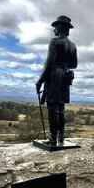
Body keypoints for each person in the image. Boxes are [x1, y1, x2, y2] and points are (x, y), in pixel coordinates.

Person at [36, 15, 77, 146]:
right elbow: (74, 64)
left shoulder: (55, 42)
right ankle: (61, 137)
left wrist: (40, 81)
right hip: (65, 77)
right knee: (61, 108)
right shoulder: (72, 45)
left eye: (55, 27)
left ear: (59, 28)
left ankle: (53, 138)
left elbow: (49, 64)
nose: (54, 30)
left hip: (54, 76)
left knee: (52, 108)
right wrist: (64, 65)